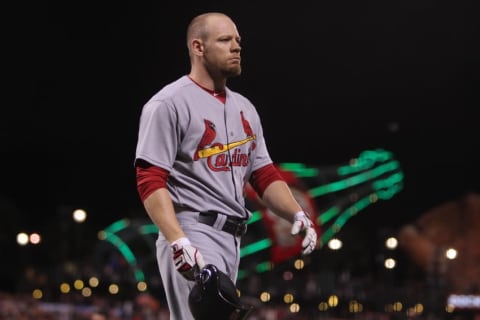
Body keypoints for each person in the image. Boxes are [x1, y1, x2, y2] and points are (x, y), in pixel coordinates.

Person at [134, 12, 318, 320]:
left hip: (232, 238)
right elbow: (150, 178)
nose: (236, 47)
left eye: (237, 41)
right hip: (192, 229)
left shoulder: (244, 107)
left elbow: (263, 174)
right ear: (198, 47)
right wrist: (177, 239)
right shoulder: (168, 104)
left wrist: (295, 212)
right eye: (224, 40)